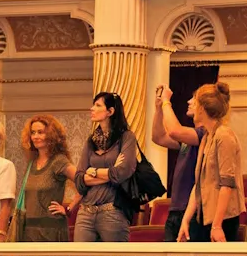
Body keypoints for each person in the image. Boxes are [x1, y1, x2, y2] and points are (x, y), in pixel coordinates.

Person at [178, 82, 245, 243]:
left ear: (202, 108)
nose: (192, 104)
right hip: (204, 216)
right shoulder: (207, 137)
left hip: (222, 219)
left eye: (196, 101)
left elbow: (227, 184)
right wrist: (186, 220)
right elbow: (199, 184)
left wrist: (217, 225)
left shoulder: (224, 136)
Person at [73, 92, 137, 243]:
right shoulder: (91, 140)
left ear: (110, 111)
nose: (92, 108)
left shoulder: (126, 137)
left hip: (112, 212)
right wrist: (109, 173)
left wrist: (93, 171)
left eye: (97, 105)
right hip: (85, 213)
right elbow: (78, 178)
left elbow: (122, 172)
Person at [151, 85, 204, 242]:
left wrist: (167, 101)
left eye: (193, 99)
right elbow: (158, 137)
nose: (188, 101)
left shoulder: (203, 134)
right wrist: (159, 109)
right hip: (175, 210)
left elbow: (175, 130)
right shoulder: (189, 137)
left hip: (192, 211)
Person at [16, 115, 80, 242]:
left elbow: (84, 182)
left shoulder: (58, 161)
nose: (35, 136)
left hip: (52, 231)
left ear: (51, 135)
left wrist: (68, 208)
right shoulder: (32, 163)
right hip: (29, 231)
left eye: (40, 132)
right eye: (33, 132)